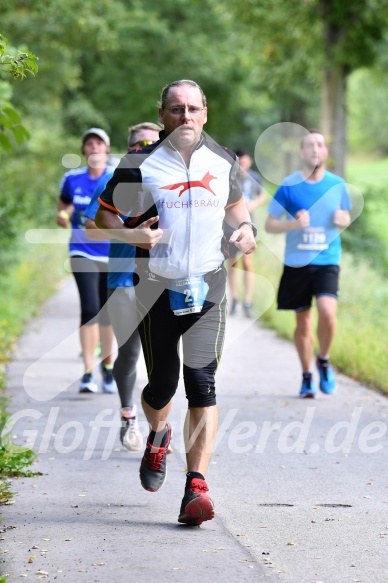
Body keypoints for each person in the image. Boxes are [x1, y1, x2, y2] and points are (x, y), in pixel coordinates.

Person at [95, 79, 256, 525]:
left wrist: (248, 232)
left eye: (193, 108)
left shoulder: (223, 161)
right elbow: (104, 214)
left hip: (208, 286)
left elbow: (238, 209)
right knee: (161, 387)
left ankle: (196, 488)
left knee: (201, 384)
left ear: (206, 113)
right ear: (163, 114)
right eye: (176, 109)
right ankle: (158, 433)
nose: (186, 116)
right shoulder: (140, 164)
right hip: (155, 288)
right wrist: (131, 234)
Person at [84, 122, 160, 451]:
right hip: (122, 277)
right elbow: (91, 227)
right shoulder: (114, 183)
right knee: (129, 353)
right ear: (130, 149)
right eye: (139, 144)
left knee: (163, 356)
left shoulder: (168, 183)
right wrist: (128, 232)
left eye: (151, 144)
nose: (145, 148)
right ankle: (129, 415)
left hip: (161, 280)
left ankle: (159, 427)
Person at [264, 129, 351, 398]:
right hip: (297, 262)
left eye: (320, 145)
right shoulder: (289, 185)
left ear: (325, 152)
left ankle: (323, 359)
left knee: (327, 312)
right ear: (302, 152)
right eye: (310, 145)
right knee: (303, 323)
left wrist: (342, 220)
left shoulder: (337, 185)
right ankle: (306, 376)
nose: (315, 149)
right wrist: (293, 223)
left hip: (326, 260)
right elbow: (269, 225)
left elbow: (345, 217)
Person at [57, 128, 116, 394]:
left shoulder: (117, 178)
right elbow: (65, 204)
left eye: (98, 143)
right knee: (90, 308)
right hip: (82, 250)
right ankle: (88, 372)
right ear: (84, 150)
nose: (93, 147)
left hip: (112, 252)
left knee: (107, 313)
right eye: (89, 144)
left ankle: (108, 368)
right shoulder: (72, 179)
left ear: (106, 149)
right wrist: (63, 214)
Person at [224, 148, 265, 318]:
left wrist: (252, 206)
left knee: (248, 263)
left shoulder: (255, 177)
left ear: (250, 161)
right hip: (229, 226)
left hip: (248, 225)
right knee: (233, 263)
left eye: (245, 160)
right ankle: (234, 298)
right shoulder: (229, 176)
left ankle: (248, 301)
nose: (243, 164)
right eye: (240, 161)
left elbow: (262, 196)